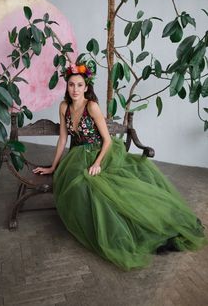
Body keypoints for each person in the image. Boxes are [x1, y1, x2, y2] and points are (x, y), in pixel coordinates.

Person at [33, 62, 207, 270]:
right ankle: (93, 226)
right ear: (67, 87)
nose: (75, 89)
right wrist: (53, 167)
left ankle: (131, 230)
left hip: (102, 153)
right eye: (71, 85)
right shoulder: (64, 107)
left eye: (80, 85)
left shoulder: (91, 106)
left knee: (104, 187)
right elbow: (63, 138)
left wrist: (97, 163)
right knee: (79, 184)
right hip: (78, 154)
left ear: (86, 87)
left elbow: (107, 140)